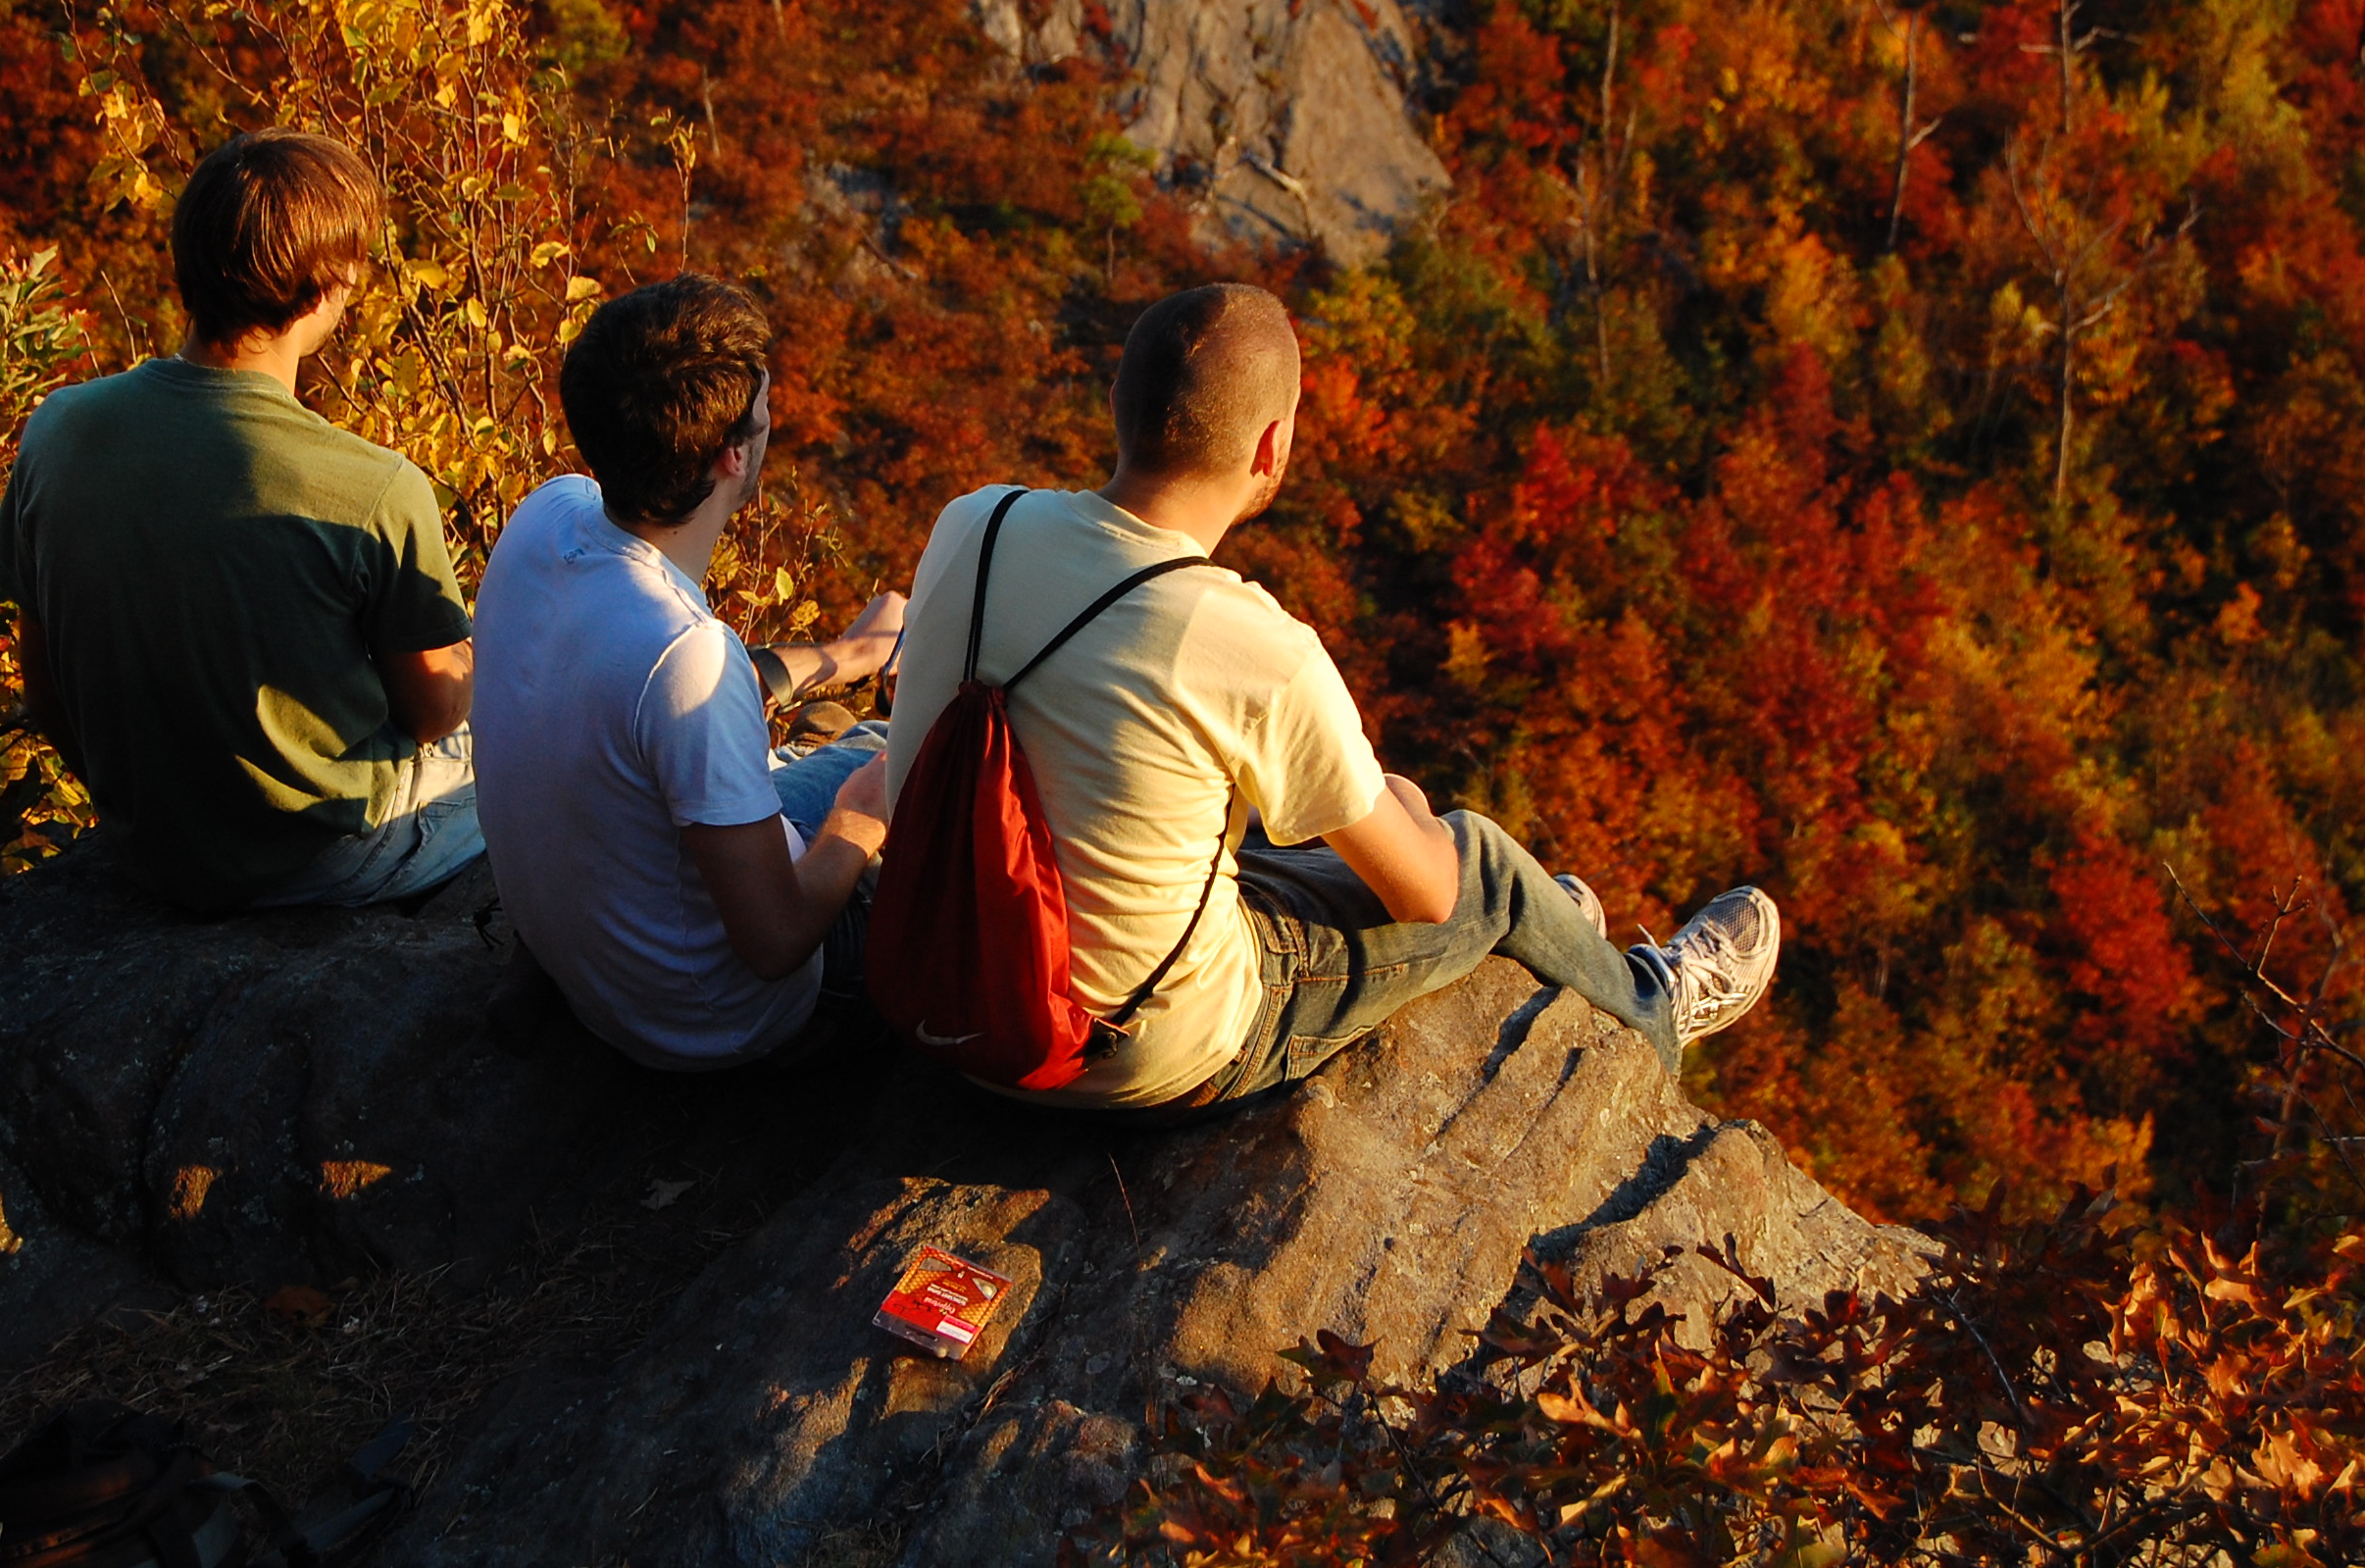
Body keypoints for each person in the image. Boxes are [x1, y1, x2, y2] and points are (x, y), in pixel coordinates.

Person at [881, 282, 1780, 1113]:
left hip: (943, 989)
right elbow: (1428, 892)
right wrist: (1406, 810)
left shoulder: (975, 520)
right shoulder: (1252, 645)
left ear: (1120, 406)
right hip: (1120, 1057)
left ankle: (1553, 932)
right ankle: (1652, 1003)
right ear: (1272, 446)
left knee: (1276, 841)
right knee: (1479, 865)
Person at [0, 130, 482, 912]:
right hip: (322, 857)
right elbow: (436, 712)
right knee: (552, 747)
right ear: (324, 291)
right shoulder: (374, 486)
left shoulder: (57, 430)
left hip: (147, 850)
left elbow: (46, 694)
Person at [470, 273, 906, 1071]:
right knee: (882, 761)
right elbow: (773, 943)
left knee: (831, 762)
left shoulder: (545, 513)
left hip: (587, 943)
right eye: (768, 418)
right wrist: (863, 814)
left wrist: (850, 653)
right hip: (709, 1021)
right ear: (732, 455)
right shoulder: (682, 651)